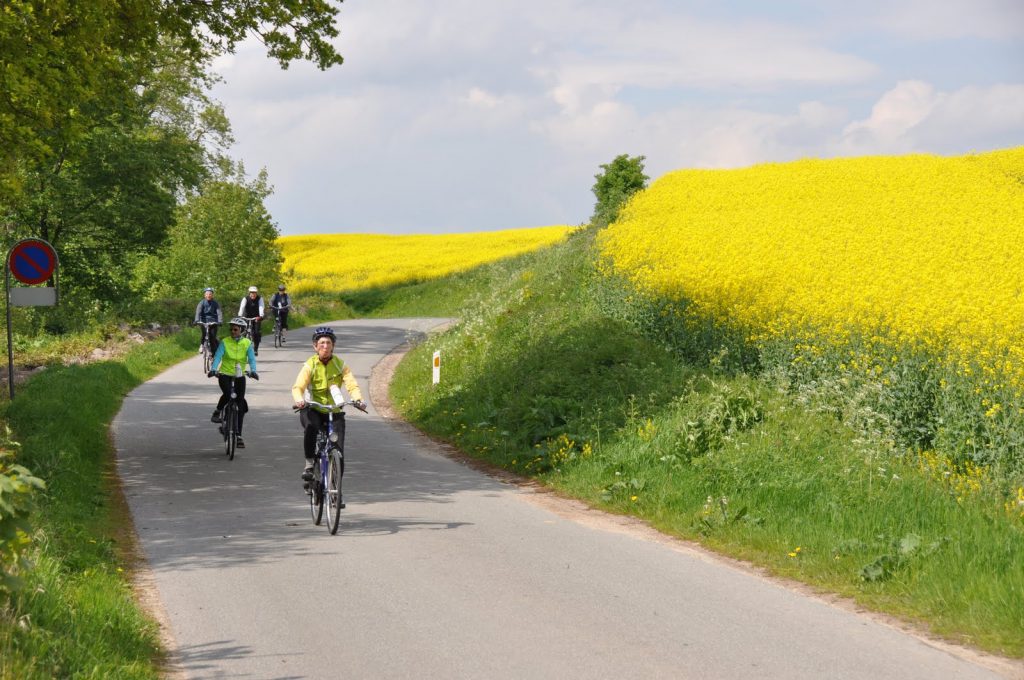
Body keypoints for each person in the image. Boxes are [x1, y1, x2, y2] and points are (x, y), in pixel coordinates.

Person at [291, 326, 366, 483]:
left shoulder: (340, 365)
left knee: (338, 450)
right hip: (313, 407)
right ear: (315, 346)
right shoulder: (310, 365)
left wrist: (358, 399)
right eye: (322, 343)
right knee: (311, 427)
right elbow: (298, 386)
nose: (325, 346)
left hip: (334, 410)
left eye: (329, 343)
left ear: (333, 346)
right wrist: (299, 399)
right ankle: (310, 464)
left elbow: (351, 384)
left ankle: (335, 489)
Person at [208, 317, 259, 448]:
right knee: (227, 393)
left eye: (235, 329)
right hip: (225, 374)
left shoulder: (247, 343)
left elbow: (252, 359)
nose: (232, 331)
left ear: (241, 330)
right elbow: (218, 356)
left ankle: (238, 435)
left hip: (239, 375)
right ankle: (218, 411)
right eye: (231, 329)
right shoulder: (225, 342)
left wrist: (253, 371)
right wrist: (214, 369)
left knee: (240, 403)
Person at [194, 287, 222, 353]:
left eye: (210, 294)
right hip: (204, 321)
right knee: (204, 333)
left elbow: (219, 312)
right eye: (207, 294)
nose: (208, 295)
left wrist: (220, 321)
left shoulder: (215, 303)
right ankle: (202, 345)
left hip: (213, 322)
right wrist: (196, 320)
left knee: (212, 338)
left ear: (212, 295)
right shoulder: (202, 303)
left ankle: (213, 355)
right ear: (204, 295)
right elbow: (198, 311)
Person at [238, 285, 265, 355]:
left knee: (256, 333)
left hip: (256, 318)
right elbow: (242, 307)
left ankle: (255, 349)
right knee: (242, 331)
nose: (253, 294)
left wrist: (261, 315)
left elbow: (261, 307)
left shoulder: (260, 299)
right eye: (251, 292)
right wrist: (240, 315)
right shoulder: (245, 299)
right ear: (249, 293)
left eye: (254, 292)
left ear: (256, 293)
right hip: (247, 317)